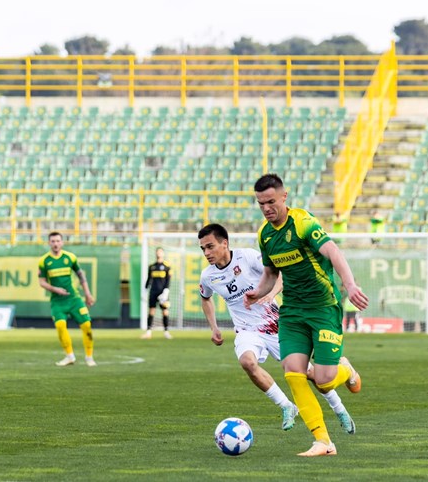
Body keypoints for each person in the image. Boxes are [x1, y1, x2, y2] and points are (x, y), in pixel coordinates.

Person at [245, 174, 369, 457]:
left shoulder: (302, 222)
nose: (266, 208)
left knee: (324, 380)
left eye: (271, 201)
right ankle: (323, 441)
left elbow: (333, 251)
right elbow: (270, 274)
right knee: (294, 373)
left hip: (323, 307)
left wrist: (349, 285)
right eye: (261, 203)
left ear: (284, 196)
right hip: (292, 313)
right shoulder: (265, 235)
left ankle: (346, 370)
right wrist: (257, 292)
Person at [197, 223, 356, 435]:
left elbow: (278, 275)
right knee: (247, 361)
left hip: (275, 325)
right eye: (203, 249)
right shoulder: (208, 276)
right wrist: (214, 327)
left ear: (224, 243)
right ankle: (286, 405)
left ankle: (340, 410)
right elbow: (205, 298)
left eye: (210, 246)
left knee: (313, 375)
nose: (207, 253)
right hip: (247, 330)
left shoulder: (247, 257)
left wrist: (271, 294)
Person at [38, 231, 97, 367]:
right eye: (53, 241)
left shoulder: (70, 258)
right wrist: (55, 289)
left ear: (62, 242)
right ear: (49, 243)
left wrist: (87, 294)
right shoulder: (44, 261)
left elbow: (81, 276)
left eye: (58, 241)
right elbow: (42, 281)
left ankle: (89, 357)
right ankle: (69, 356)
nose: (55, 244)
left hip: (74, 299)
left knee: (87, 326)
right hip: (57, 301)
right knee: (60, 326)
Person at [141, 247, 172, 339]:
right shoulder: (152, 266)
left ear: (163, 253)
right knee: (151, 311)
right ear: (155, 253)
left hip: (163, 293)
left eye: (160, 251)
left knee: (165, 312)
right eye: (157, 251)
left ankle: (166, 332)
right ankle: (148, 332)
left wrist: (166, 291)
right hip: (153, 292)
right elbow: (148, 280)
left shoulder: (167, 266)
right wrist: (145, 291)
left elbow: (168, 280)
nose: (159, 253)